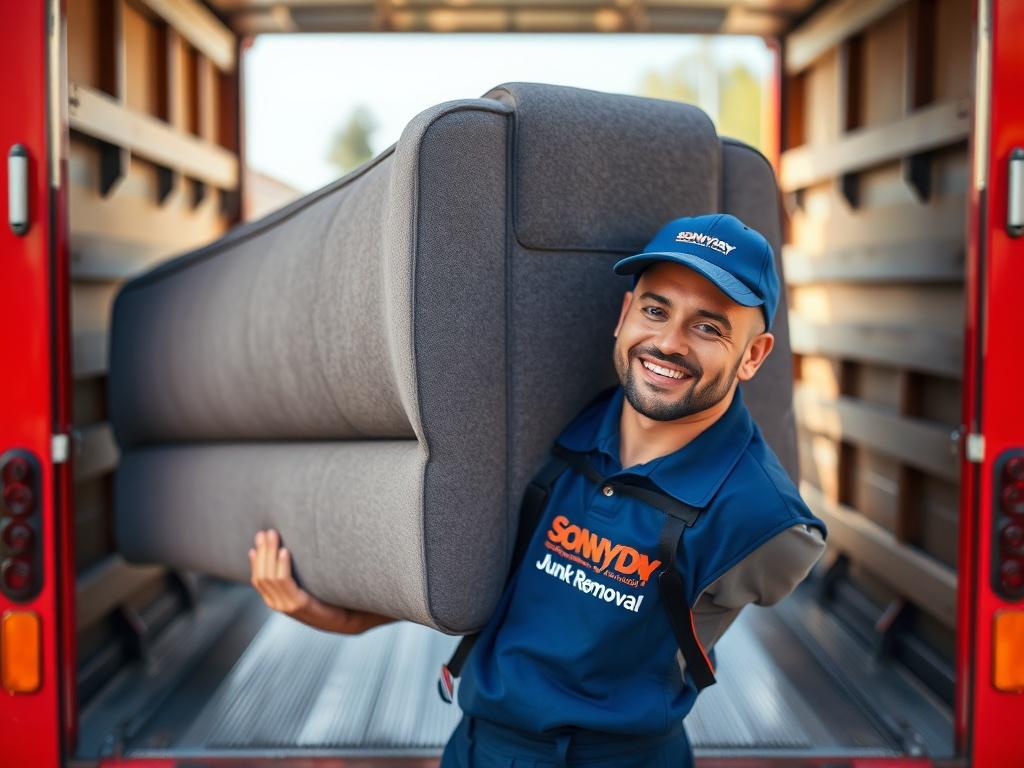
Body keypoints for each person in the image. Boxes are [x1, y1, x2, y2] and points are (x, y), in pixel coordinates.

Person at [249, 212, 829, 768]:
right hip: (480, 746)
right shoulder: (547, 426)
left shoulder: (766, 523)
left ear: (753, 355)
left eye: (709, 326)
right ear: (624, 314)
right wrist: (346, 616)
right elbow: (482, 575)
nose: (670, 343)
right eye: (656, 309)